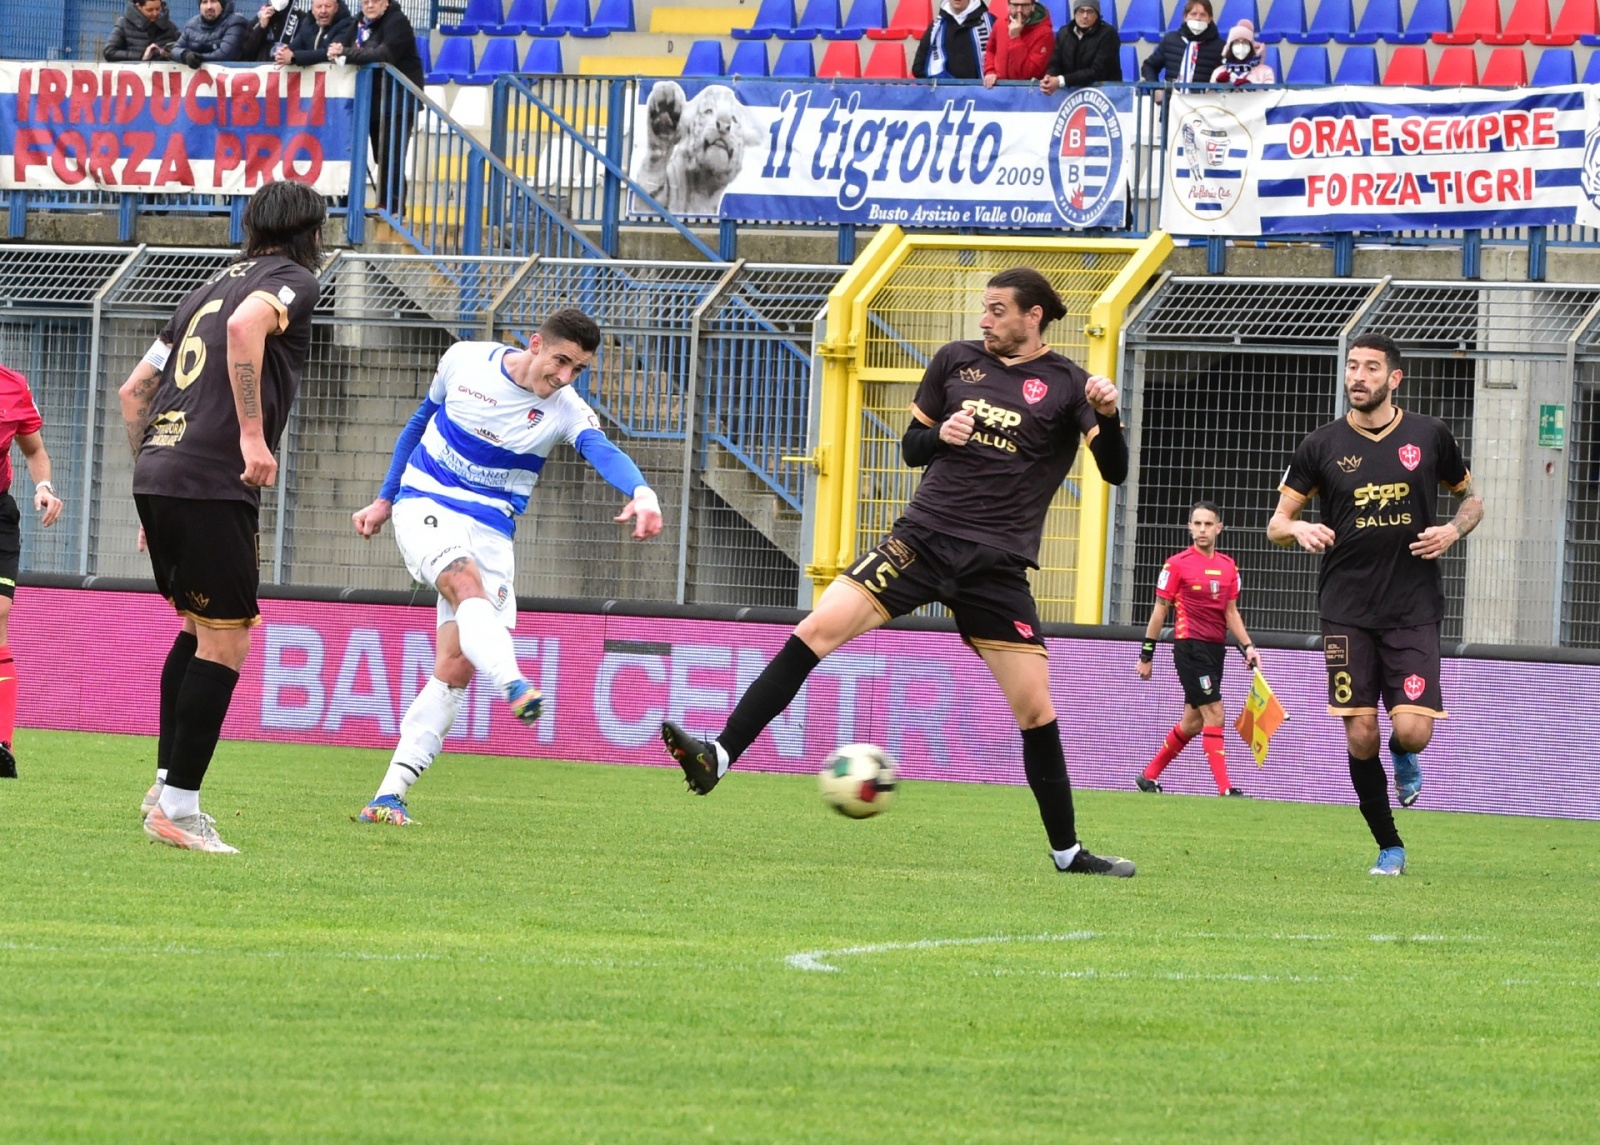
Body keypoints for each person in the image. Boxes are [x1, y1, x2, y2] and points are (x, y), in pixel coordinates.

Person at [662, 268, 1137, 878]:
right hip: (921, 540)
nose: (985, 321)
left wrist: (1111, 414)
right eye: (984, 310)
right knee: (816, 630)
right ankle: (719, 755)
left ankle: (1069, 854)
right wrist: (941, 433)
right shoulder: (954, 362)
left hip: (995, 567)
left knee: (1035, 711)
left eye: (997, 310)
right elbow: (910, 446)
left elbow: (1116, 471)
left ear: (1034, 315)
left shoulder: (1070, 385)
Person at [350, 310, 664, 827]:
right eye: (560, 361)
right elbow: (417, 425)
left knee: (454, 668)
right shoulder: (464, 361)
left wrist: (643, 492)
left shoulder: (565, 408)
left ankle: (388, 796)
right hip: (426, 502)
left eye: (578, 370)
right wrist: (385, 500)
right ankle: (514, 680)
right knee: (462, 581)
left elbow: (602, 450)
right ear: (536, 344)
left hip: (493, 530)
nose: (563, 377)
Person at [117, 179, 327, 853]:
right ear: (311, 231)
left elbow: (134, 392)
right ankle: (178, 805)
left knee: (197, 626)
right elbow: (246, 330)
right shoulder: (291, 278)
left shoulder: (202, 288)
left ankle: (163, 786)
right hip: (211, 476)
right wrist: (251, 433)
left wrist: (153, 476)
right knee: (227, 639)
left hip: (160, 468)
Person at [1267, 333, 1484, 877]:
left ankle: (1404, 753)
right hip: (1346, 609)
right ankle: (1389, 844)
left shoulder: (1428, 435)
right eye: (1352, 367)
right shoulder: (1319, 445)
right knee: (1359, 732)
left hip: (1413, 607)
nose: (1357, 377)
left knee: (1412, 730)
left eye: (1369, 368)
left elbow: (1473, 499)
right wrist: (1298, 527)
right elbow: (1275, 525)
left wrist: (1453, 531)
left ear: (1394, 378)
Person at [1134, 501, 1259, 797]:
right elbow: (1159, 611)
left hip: (1216, 651)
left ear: (1219, 528)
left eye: (1208, 524)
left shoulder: (1229, 566)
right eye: (1197, 523)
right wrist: (1146, 655)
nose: (1202, 529)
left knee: (1192, 722)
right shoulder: (1176, 563)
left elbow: (1231, 613)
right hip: (1190, 648)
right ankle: (1225, 789)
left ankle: (1147, 776)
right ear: (1190, 527)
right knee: (1215, 713)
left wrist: (1249, 646)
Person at [0, 365, 65, 779]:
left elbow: (34, 450)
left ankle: (2, 744)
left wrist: (44, 487)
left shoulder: (13, 386)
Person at [327, 0, 426, 215]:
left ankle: (393, 207)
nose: (369, 6)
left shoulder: (398, 21)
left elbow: (384, 54)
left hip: (399, 100)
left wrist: (347, 52)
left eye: (375, 1)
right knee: (381, 156)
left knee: (392, 154)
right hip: (373, 100)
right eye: (365, 1)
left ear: (386, 3)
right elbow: (341, 45)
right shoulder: (359, 22)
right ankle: (382, 204)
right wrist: (337, 50)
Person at [1039, 0, 1122, 94]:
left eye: (1090, 11)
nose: (1085, 16)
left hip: (1104, 96)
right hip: (1070, 96)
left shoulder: (1109, 34)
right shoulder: (1063, 33)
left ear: (1097, 15)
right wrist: (1049, 77)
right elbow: (1055, 63)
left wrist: (1061, 81)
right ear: (1075, 13)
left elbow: (1097, 72)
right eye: (1081, 11)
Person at [1141, 0, 1221, 87]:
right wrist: (1156, 91)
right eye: (1193, 14)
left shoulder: (1220, 47)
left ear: (1210, 19)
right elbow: (1149, 66)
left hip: (1205, 99)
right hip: (1172, 99)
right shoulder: (1170, 40)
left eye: (1203, 15)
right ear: (1185, 17)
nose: (1198, 18)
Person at [911, 0, 993, 80]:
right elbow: (918, 68)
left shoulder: (990, 23)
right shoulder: (936, 27)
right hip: (945, 92)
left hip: (980, 92)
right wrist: (942, 82)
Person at [152, 0, 250, 66]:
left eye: (213, 1)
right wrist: (186, 55)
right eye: (204, 2)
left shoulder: (236, 22)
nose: (209, 7)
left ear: (223, 4)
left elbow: (225, 55)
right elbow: (175, 49)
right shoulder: (191, 24)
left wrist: (198, 58)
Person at [983, 0, 1054, 87]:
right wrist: (990, 70)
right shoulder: (1000, 24)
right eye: (1015, 5)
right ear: (1008, 6)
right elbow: (990, 50)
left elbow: (1028, 74)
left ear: (1032, 7)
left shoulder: (1044, 33)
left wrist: (1015, 38)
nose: (1019, 10)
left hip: (1027, 92)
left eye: (1024, 6)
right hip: (999, 90)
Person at [273, 0, 353, 66]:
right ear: (312, 9)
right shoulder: (307, 23)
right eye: (319, 6)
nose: (323, 10)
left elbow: (329, 53)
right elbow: (294, 47)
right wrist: (283, 54)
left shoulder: (347, 24)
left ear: (336, 8)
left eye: (328, 6)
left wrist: (295, 57)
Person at [102, 0, 181, 61]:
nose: (155, 13)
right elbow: (109, 52)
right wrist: (141, 56)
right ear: (138, 6)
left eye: (158, 9)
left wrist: (170, 54)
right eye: (150, 10)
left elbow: (183, 49)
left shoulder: (170, 27)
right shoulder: (123, 24)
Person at [1209, 18, 1274, 85]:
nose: (1241, 46)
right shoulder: (1218, 71)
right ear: (1230, 47)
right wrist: (1218, 86)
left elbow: (1272, 93)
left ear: (1251, 46)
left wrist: (1252, 87)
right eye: (1236, 42)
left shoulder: (1265, 71)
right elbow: (1208, 94)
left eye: (1245, 42)